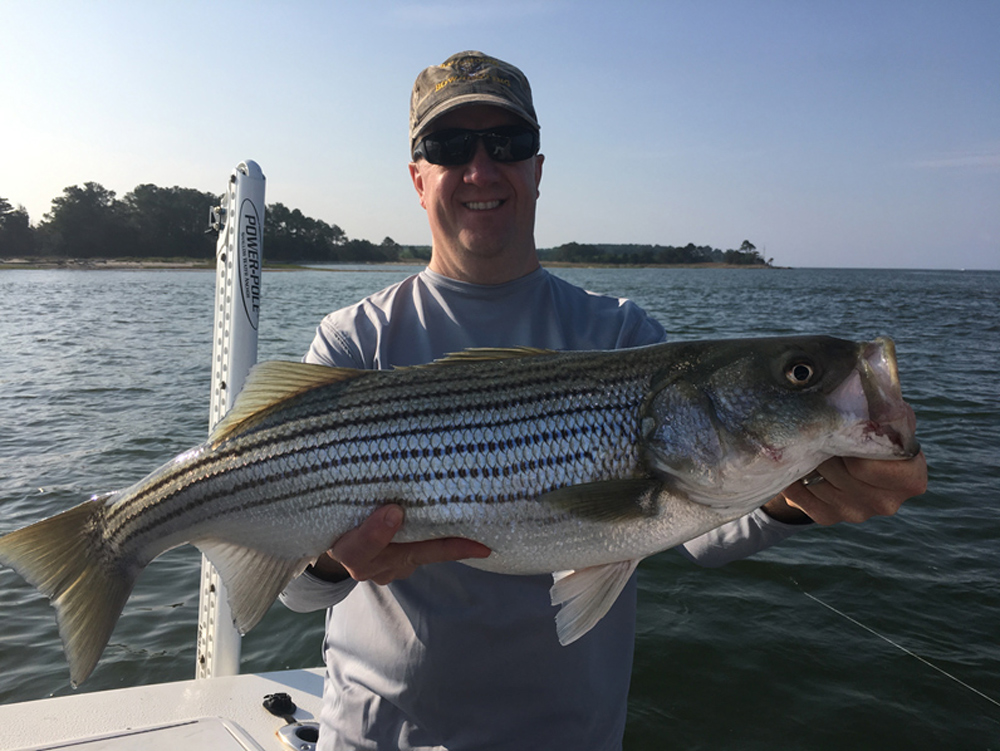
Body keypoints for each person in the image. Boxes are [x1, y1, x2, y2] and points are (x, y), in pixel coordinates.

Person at [280, 51, 928, 750]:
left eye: (509, 143)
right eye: (448, 146)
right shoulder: (355, 341)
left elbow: (695, 520)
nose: (481, 167)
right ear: (417, 177)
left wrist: (796, 492)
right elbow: (290, 585)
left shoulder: (621, 335)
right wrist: (329, 561)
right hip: (379, 736)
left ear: (537, 168)